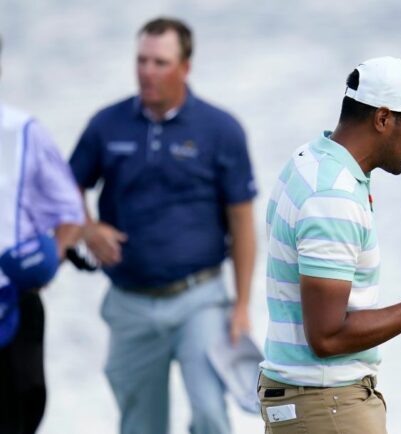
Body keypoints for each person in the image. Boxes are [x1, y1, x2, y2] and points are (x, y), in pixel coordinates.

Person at [258, 56, 401, 434]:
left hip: (311, 401)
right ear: (383, 118)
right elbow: (327, 336)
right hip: (328, 404)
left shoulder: (308, 161)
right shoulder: (333, 195)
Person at [68, 17, 257, 434]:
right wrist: (88, 228)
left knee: (211, 413)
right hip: (130, 301)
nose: (147, 72)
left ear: (185, 67)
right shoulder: (106, 124)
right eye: (141, 61)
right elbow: (64, 187)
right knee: (140, 425)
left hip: (200, 297)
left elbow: (242, 221)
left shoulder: (221, 130)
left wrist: (242, 304)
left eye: (159, 62)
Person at [0, 35, 84, 434]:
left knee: (21, 416)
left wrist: (50, 259)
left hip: (13, 302)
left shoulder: (23, 132)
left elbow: (69, 210)